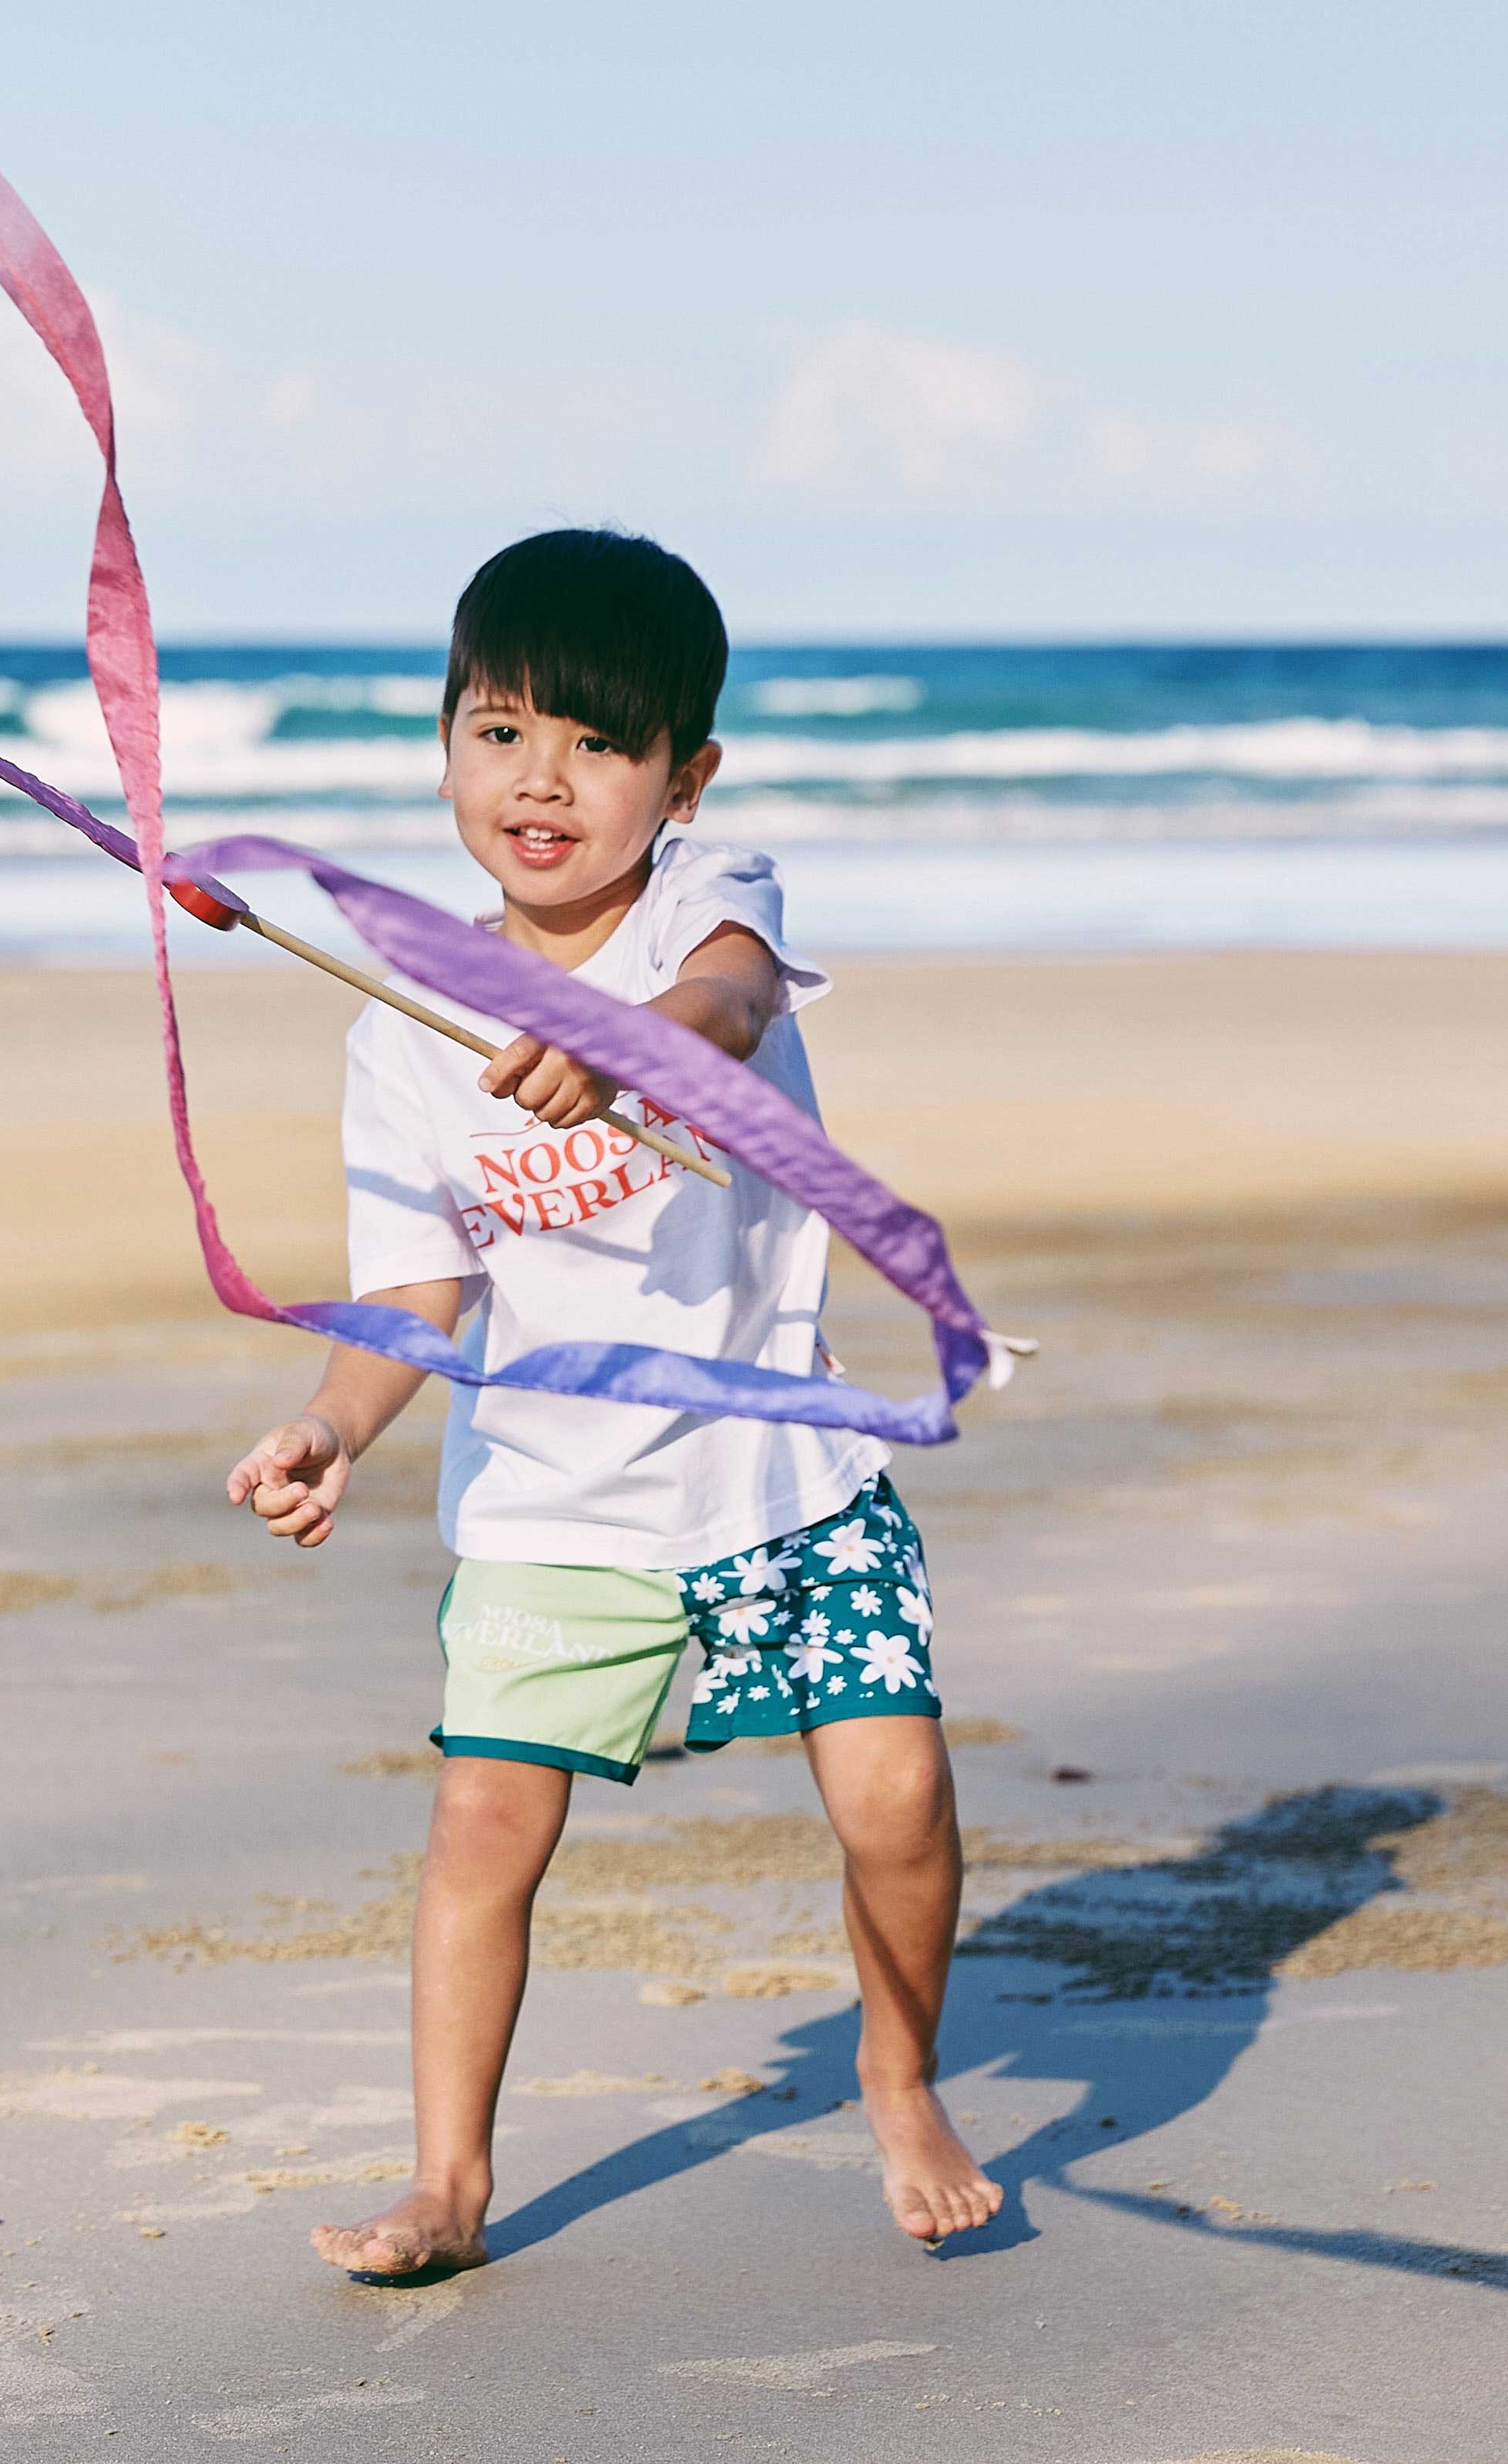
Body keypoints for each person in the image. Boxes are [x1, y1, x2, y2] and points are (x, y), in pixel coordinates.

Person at [223, 528, 1000, 2274]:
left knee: (898, 1799)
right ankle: (448, 2177)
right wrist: (334, 1427)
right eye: (498, 733)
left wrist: (635, 1038)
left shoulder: (711, 902)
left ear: (684, 779)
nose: (541, 782)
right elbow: (419, 1290)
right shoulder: (400, 1029)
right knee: (484, 1827)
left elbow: (723, 1002)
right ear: (443, 747)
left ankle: (898, 2071)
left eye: (595, 744)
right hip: (553, 1502)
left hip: (781, 1469)